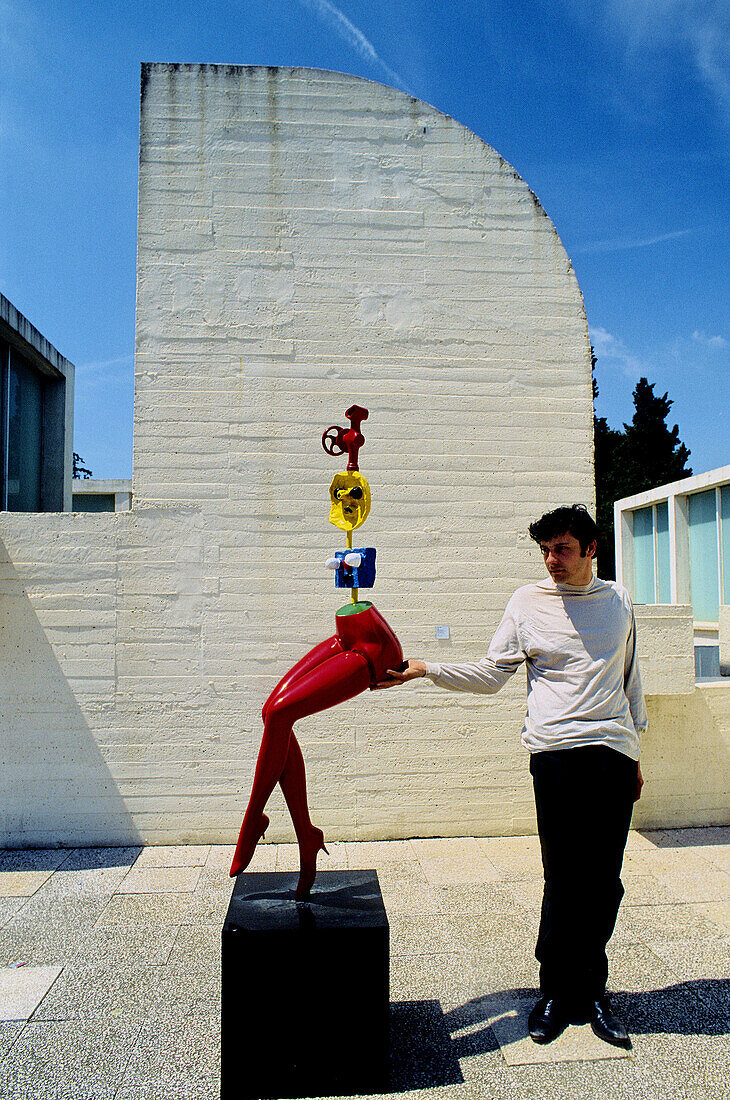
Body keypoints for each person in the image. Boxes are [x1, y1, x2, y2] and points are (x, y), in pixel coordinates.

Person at [376, 504, 646, 1047]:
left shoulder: (617, 600)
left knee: (603, 880)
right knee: (564, 876)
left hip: (612, 754)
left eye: (563, 549)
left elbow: (629, 673)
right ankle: (554, 991)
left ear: (592, 550)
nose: (552, 560)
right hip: (555, 755)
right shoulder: (527, 603)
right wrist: (426, 670)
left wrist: (638, 753)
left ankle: (592, 990)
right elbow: (492, 673)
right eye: (546, 550)